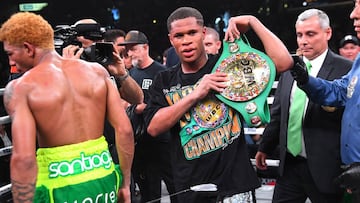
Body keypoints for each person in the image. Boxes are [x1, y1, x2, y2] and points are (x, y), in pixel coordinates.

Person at [143, 6, 293, 203]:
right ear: (171, 40)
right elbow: (154, 127)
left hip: (235, 187)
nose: (186, 41)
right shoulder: (164, 80)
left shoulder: (227, 66)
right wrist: (196, 93)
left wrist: (253, 21)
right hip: (189, 188)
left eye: (192, 33)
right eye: (179, 35)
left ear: (203, 33)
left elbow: (284, 63)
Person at [0, 12, 134, 203]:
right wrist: (124, 185)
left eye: (11, 54)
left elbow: (24, 159)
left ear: (28, 48)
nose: (11, 62)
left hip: (58, 188)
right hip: (104, 179)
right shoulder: (97, 72)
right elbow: (125, 130)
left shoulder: (22, 87)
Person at [255, 8, 353, 202]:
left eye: (310, 34)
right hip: (290, 165)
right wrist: (264, 147)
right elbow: (279, 113)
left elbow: (353, 123)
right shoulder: (290, 67)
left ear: (328, 33)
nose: (303, 41)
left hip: (327, 167)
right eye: (299, 35)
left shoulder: (346, 69)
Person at [289, 1, 360, 201]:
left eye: (359, 4)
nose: (353, 14)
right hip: (351, 173)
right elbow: (338, 92)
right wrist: (305, 79)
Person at [119, 30, 177, 203]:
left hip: (163, 141)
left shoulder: (162, 72)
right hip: (140, 142)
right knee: (148, 193)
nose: (130, 53)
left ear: (145, 48)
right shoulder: (130, 75)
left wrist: (137, 107)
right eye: (127, 49)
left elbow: (169, 104)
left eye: (133, 48)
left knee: (175, 187)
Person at [62, 19, 143, 105]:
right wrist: (69, 72)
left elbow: (137, 99)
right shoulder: (59, 66)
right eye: (91, 39)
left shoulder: (106, 66)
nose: (95, 45)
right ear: (74, 42)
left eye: (98, 40)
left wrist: (122, 75)